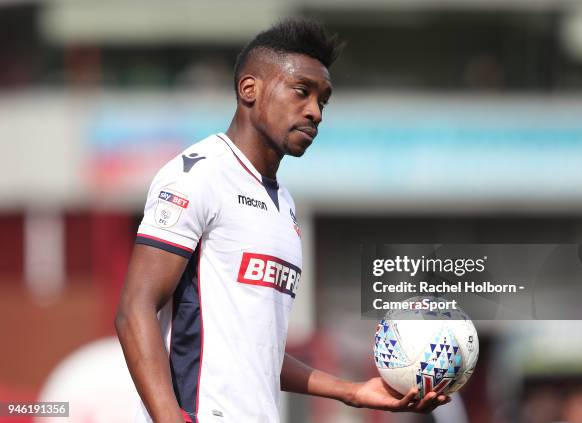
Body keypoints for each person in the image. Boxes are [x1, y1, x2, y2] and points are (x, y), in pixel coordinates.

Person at [115, 18, 450, 423]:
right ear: (249, 89)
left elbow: (258, 351)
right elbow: (135, 308)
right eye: (301, 92)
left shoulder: (284, 205)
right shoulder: (197, 175)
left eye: (323, 101)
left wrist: (354, 392)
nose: (315, 113)